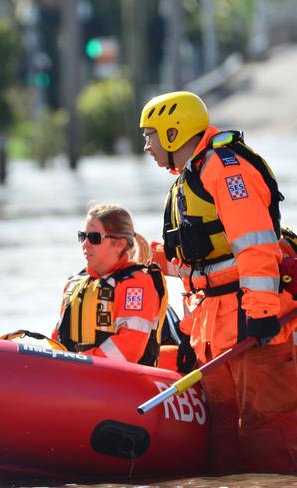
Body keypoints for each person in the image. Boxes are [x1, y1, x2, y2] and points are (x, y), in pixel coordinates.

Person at [140, 90, 297, 474]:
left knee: (265, 433)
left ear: (174, 132)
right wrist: (153, 259)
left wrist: (261, 311)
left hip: (249, 319)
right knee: (224, 437)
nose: (146, 145)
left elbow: (256, 244)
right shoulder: (188, 179)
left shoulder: (225, 169)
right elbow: (203, 260)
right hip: (212, 324)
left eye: (150, 135)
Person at [52, 204, 168, 365]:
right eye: (82, 236)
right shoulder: (74, 284)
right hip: (75, 375)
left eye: (94, 237)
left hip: (118, 380)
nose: (85, 244)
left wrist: (81, 363)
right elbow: (57, 338)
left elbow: (129, 348)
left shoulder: (136, 286)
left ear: (120, 244)